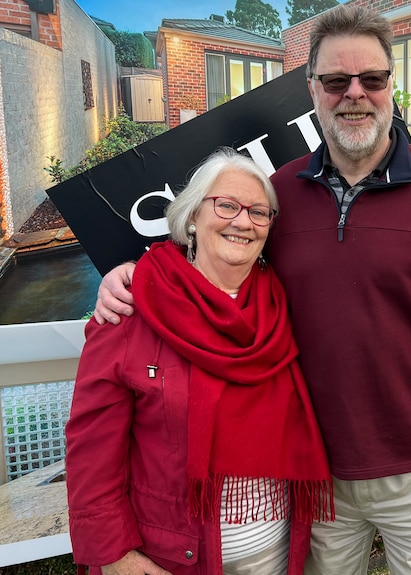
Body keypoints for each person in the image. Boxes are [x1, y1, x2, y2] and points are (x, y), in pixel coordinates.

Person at [94, 5, 411, 574]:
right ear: (313, 88)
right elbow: (217, 258)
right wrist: (134, 273)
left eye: (372, 79)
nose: (354, 94)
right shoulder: (279, 193)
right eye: (337, 81)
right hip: (312, 476)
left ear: (392, 85)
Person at [65, 147, 333, 575]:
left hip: (278, 551)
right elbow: (91, 449)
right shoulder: (133, 307)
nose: (243, 221)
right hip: (175, 558)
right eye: (226, 205)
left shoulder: (284, 303)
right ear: (192, 216)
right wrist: (115, 555)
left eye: (259, 213)